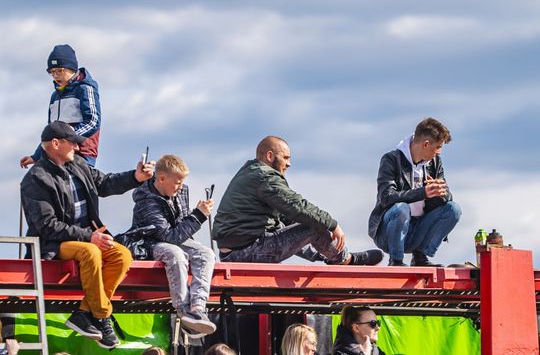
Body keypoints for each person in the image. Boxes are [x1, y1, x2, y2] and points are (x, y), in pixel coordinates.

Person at [20, 121, 155, 349]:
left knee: (122, 255)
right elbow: (47, 226)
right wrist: (89, 236)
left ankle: (84, 312)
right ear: (55, 144)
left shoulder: (78, 164)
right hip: (53, 243)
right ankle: (102, 316)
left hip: (86, 238)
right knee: (91, 251)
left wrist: (136, 177)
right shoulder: (35, 179)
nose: (77, 147)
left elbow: (105, 183)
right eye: (72, 142)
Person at [212, 136, 383, 266]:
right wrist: (333, 225)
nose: (289, 164)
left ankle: (330, 256)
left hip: (235, 251)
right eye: (286, 158)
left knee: (293, 226)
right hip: (247, 251)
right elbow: (297, 206)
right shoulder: (265, 177)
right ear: (270, 156)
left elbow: (288, 220)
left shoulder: (250, 173)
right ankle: (346, 260)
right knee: (312, 225)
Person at [117, 155, 216, 338]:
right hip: (148, 243)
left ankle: (198, 308)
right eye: (177, 183)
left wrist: (194, 216)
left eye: (182, 182)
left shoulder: (181, 191)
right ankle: (184, 312)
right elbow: (169, 237)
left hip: (174, 239)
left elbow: (181, 227)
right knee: (175, 254)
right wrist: (198, 216)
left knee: (206, 253)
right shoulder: (146, 200)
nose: (180, 187)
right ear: (161, 179)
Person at [368, 118, 461, 266]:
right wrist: (423, 192)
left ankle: (420, 257)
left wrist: (441, 192)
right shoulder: (392, 159)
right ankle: (396, 261)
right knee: (401, 208)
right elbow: (386, 197)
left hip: (418, 231)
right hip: (389, 233)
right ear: (426, 144)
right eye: (438, 147)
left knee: (453, 209)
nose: (439, 152)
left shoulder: (435, 162)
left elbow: (447, 196)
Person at [20, 44, 101, 168]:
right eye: (52, 72)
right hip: (58, 154)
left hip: (81, 154)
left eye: (60, 70)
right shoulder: (54, 96)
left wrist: (68, 137)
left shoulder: (85, 88)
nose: (56, 75)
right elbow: (52, 132)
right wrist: (36, 156)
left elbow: (93, 121)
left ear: (72, 69)